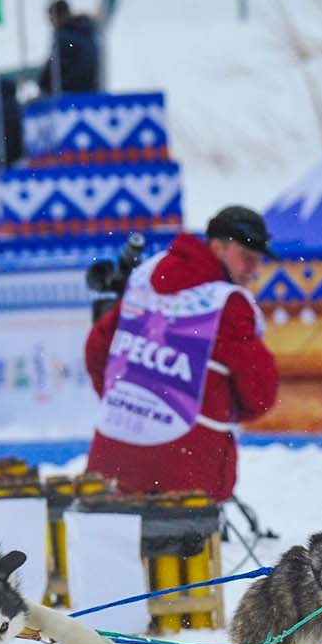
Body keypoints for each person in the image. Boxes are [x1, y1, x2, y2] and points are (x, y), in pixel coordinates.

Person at [83, 207, 280, 502]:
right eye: (247, 258)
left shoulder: (146, 279)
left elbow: (97, 350)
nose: (253, 270)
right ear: (218, 247)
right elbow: (260, 393)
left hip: (111, 463)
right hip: (189, 478)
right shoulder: (227, 305)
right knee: (184, 532)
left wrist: (126, 402)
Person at [40, 0, 102, 96]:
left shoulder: (64, 37)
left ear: (59, 17)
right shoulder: (88, 33)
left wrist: (43, 85)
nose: (52, 24)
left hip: (70, 95)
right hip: (90, 93)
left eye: (52, 19)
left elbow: (54, 68)